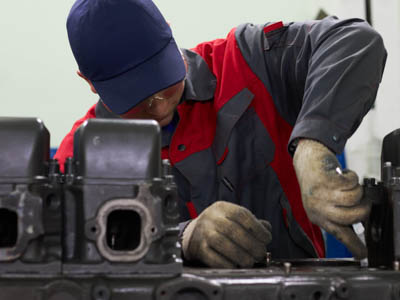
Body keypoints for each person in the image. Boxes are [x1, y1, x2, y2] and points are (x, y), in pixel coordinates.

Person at [55, 0, 387, 268]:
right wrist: (181, 239)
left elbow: (355, 40)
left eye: (163, 84)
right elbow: (65, 247)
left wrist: (314, 145)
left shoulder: (246, 63)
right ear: (88, 82)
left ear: (170, 36)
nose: (158, 110)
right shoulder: (79, 159)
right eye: (137, 101)